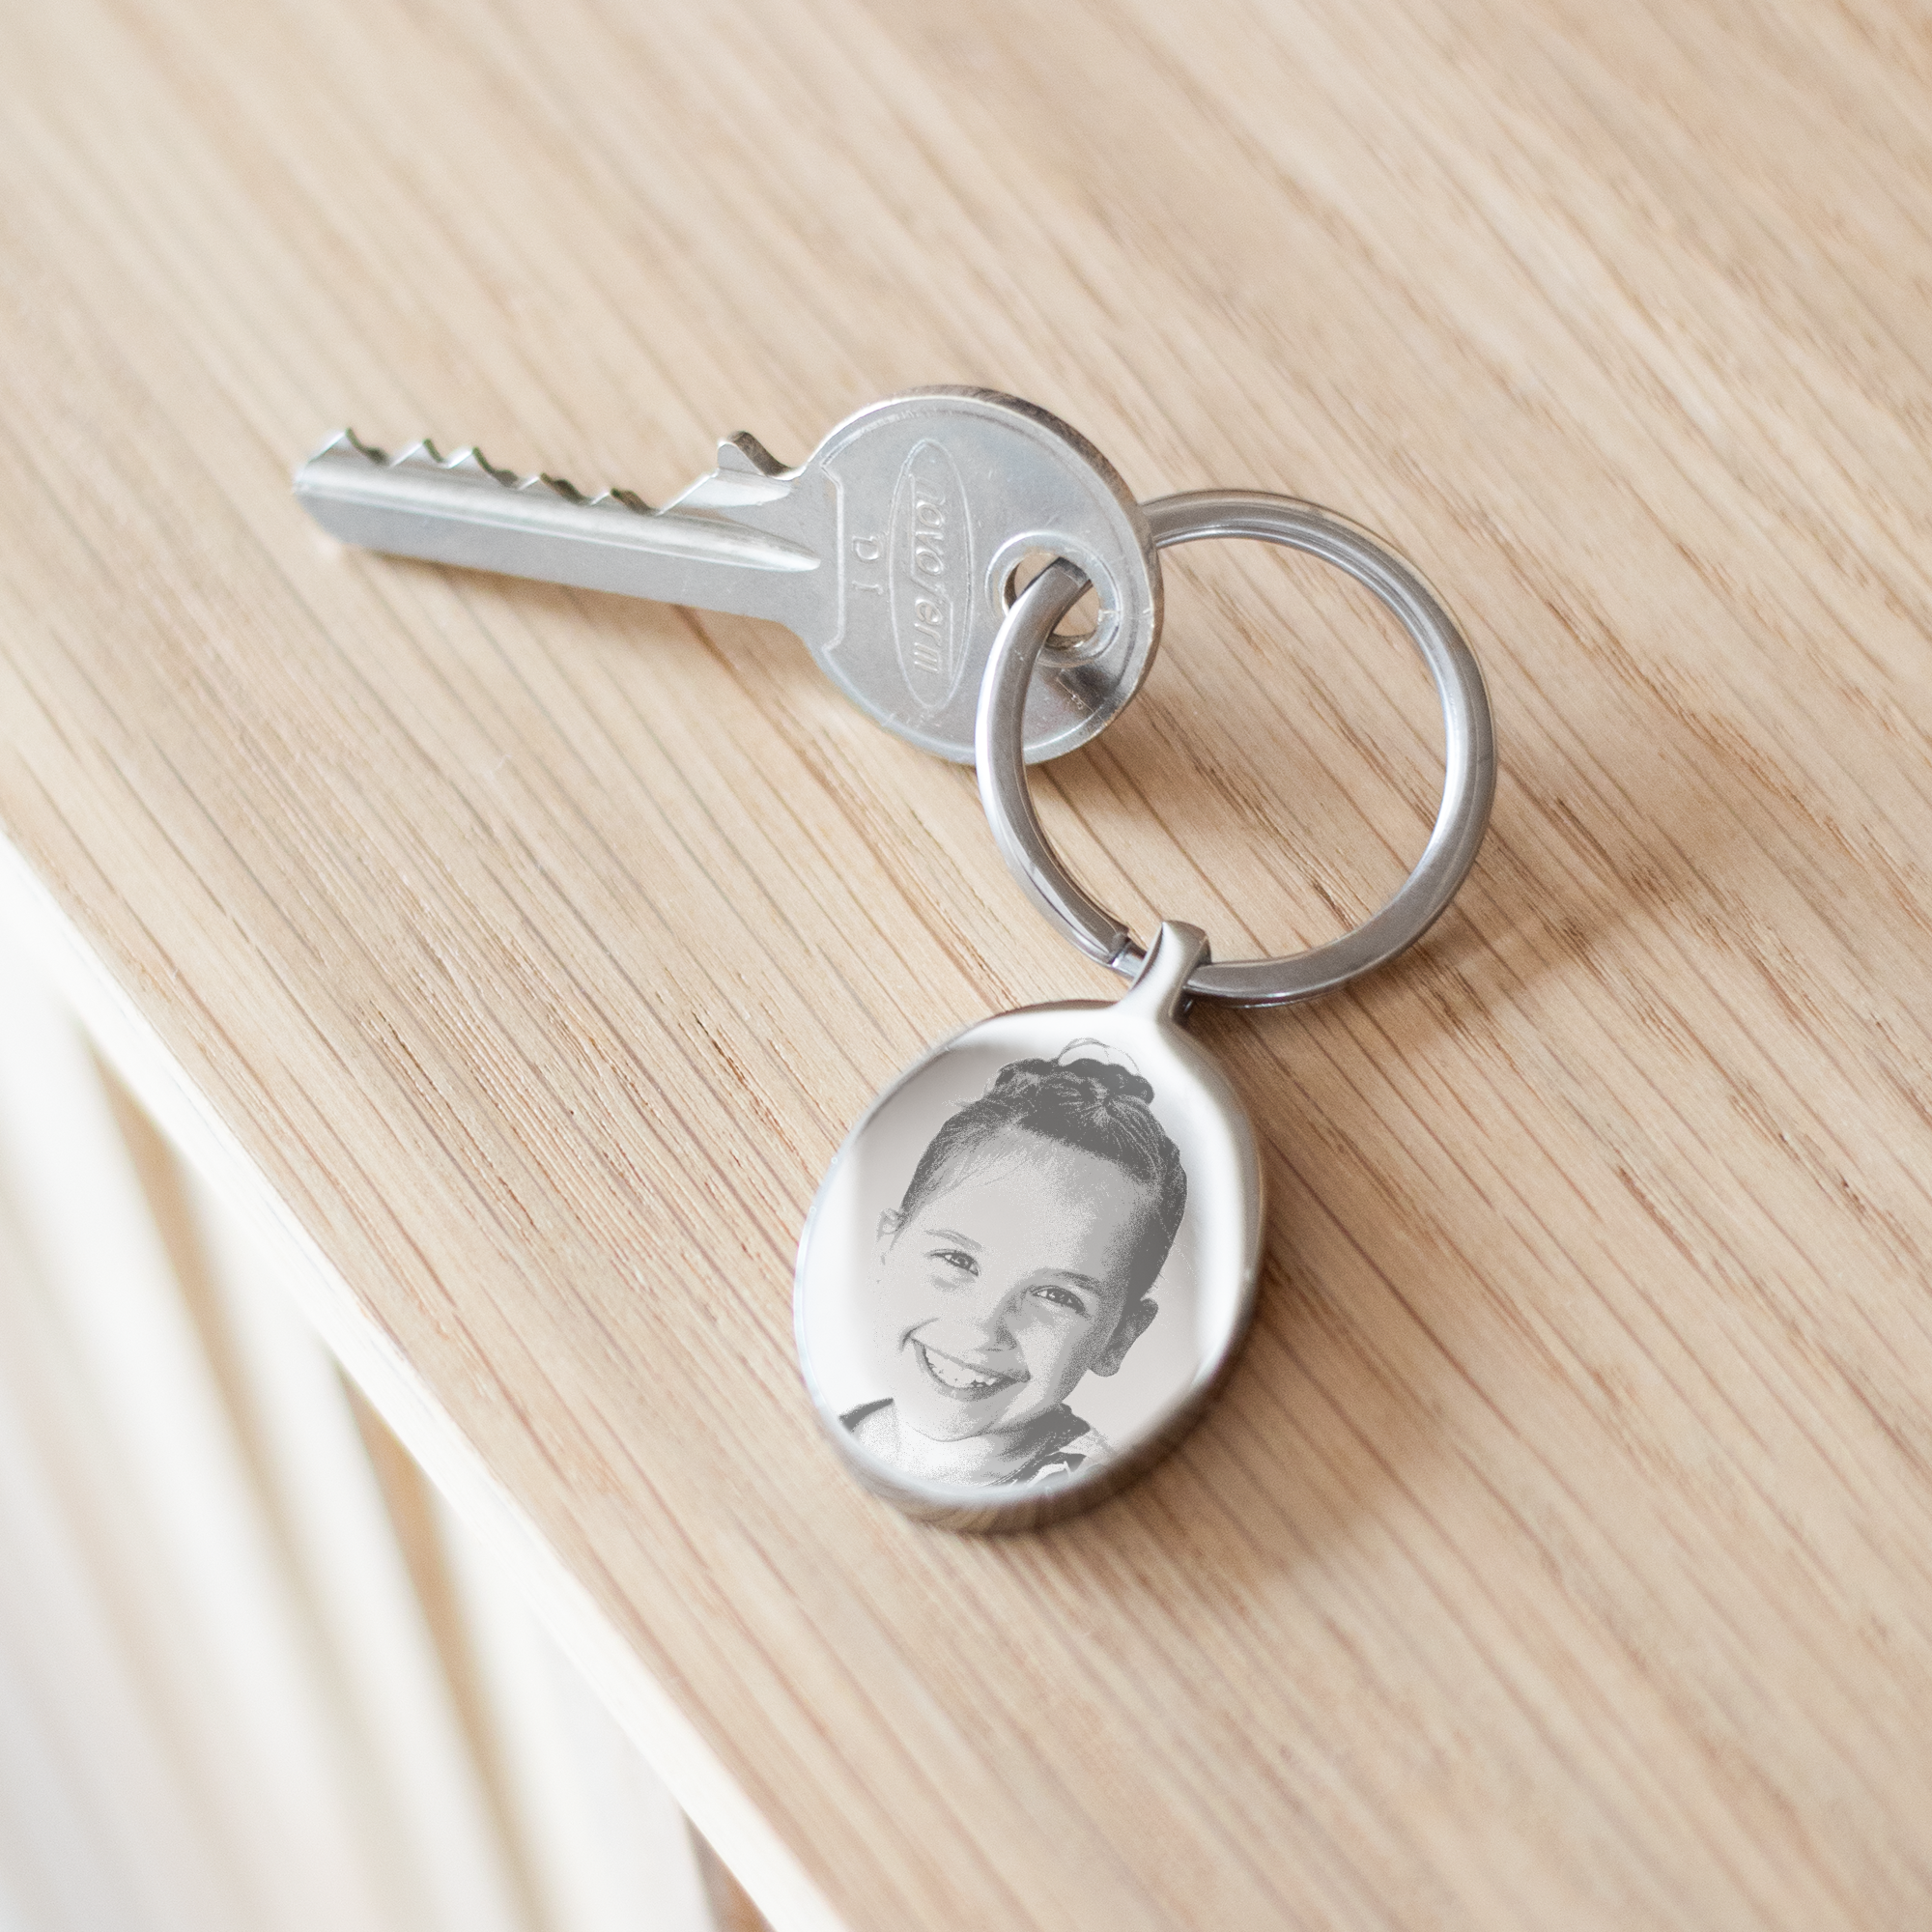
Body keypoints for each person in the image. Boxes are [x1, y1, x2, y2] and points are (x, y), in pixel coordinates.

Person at [843, 1047, 1187, 1487]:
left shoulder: (1088, 1492)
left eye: (1057, 1295)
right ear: (887, 1249)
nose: (984, 1326)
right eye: (957, 1260)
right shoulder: (841, 1428)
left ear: (1120, 1337)